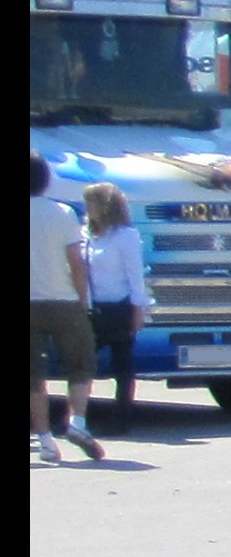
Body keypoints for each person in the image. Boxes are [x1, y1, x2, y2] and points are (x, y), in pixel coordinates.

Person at [30, 154, 103, 463]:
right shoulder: (63, 214)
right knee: (80, 364)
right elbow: (76, 262)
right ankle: (77, 422)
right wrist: (83, 298)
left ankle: (45, 440)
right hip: (63, 301)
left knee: (33, 376)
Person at [79, 182, 145, 437]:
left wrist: (138, 309)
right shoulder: (85, 233)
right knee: (83, 364)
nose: (87, 208)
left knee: (123, 367)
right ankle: (79, 417)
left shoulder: (125, 236)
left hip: (119, 307)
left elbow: (135, 276)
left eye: (91, 203)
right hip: (92, 307)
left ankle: (122, 419)